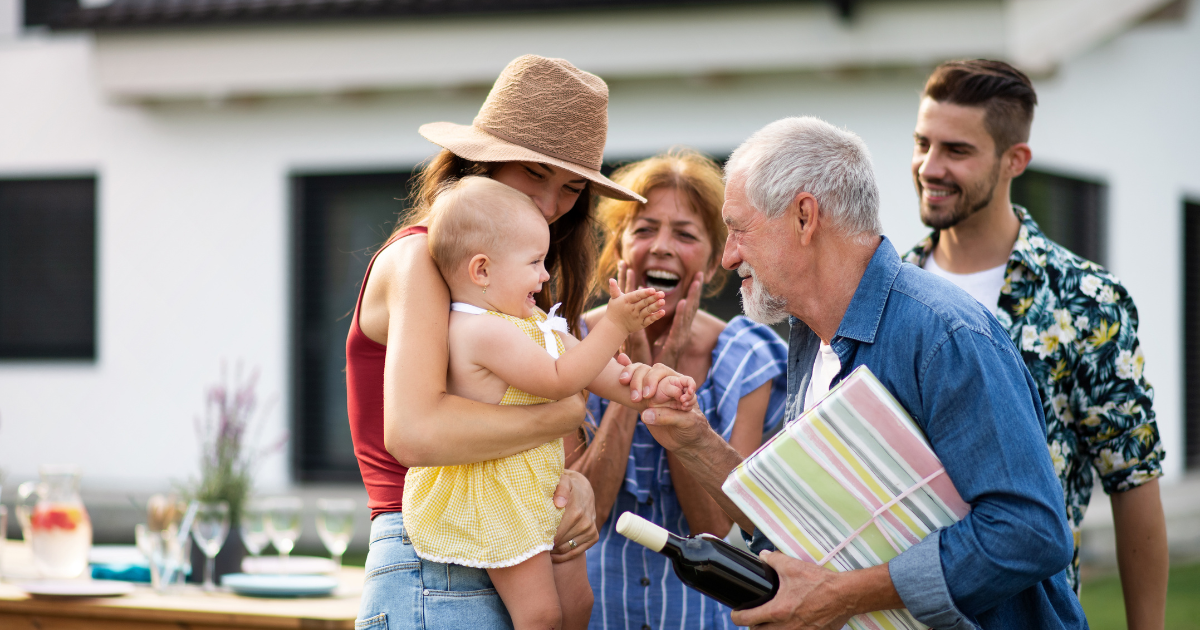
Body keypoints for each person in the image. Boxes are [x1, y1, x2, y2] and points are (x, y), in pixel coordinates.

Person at [630, 116, 1088, 629]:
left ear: (805, 217)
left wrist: (842, 596)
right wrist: (694, 440)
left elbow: (1030, 532)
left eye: (738, 229)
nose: (729, 254)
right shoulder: (808, 334)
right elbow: (806, 523)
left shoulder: (945, 336)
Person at [346, 55, 684, 630]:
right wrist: (562, 416)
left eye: (572, 188)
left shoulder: (517, 287)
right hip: (433, 556)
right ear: (480, 160)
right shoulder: (421, 258)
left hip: (506, 535)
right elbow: (416, 432)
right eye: (534, 175)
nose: (550, 207)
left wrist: (569, 479)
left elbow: (513, 412)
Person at [901, 59, 1167, 626]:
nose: (930, 166)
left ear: (1013, 160)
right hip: (896, 610)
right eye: (923, 143)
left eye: (957, 150)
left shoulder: (1086, 300)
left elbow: (1134, 482)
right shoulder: (893, 290)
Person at [403, 176, 696, 630]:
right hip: (497, 494)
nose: (545, 276)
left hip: (539, 484)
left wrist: (648, 383)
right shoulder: (480, 331)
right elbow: (562, 379)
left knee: (578, 605)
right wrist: (614, 326)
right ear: (481, 271)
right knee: (540, 614)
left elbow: (598, 372)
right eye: (535, 262)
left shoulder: (531, 321)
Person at [567, 149, 789, 629]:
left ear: (712, 263)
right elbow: (585, 516)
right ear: (619, 251)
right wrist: (641, 379)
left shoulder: (748, 357)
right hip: (594, 612)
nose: (663, 247)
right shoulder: (570, 345)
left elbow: (716, 525)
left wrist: (664, 384)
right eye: (644, 229)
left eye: (685, 234)